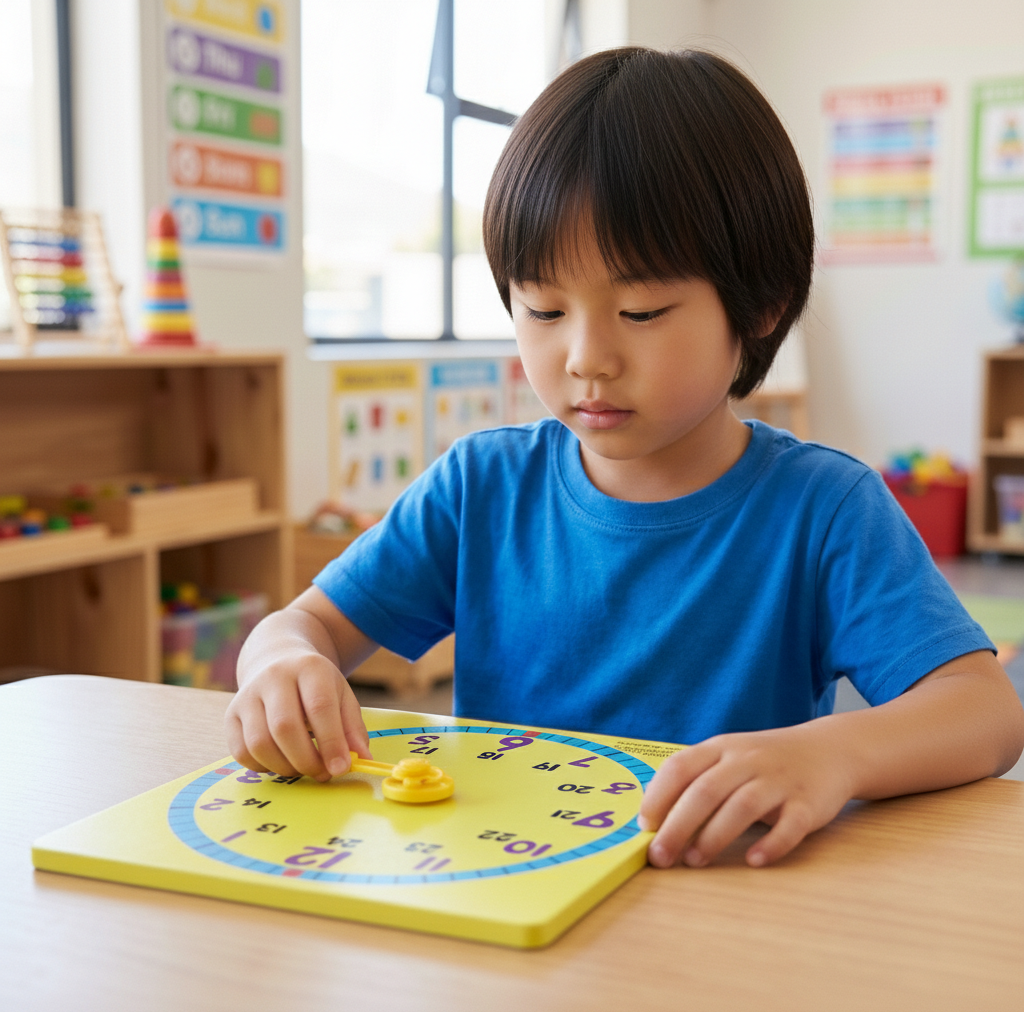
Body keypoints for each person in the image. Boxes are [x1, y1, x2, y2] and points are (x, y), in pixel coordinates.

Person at [227, 47, 1024, 870]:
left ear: (761, 306)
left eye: (641, 310)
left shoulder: (824, 510)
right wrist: (282, 660)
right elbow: (308, 626)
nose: (586, 357)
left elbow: (984, 710)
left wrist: (832, 754)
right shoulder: (481, 490)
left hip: (722, 905)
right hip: (509, 903)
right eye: (543, 307)